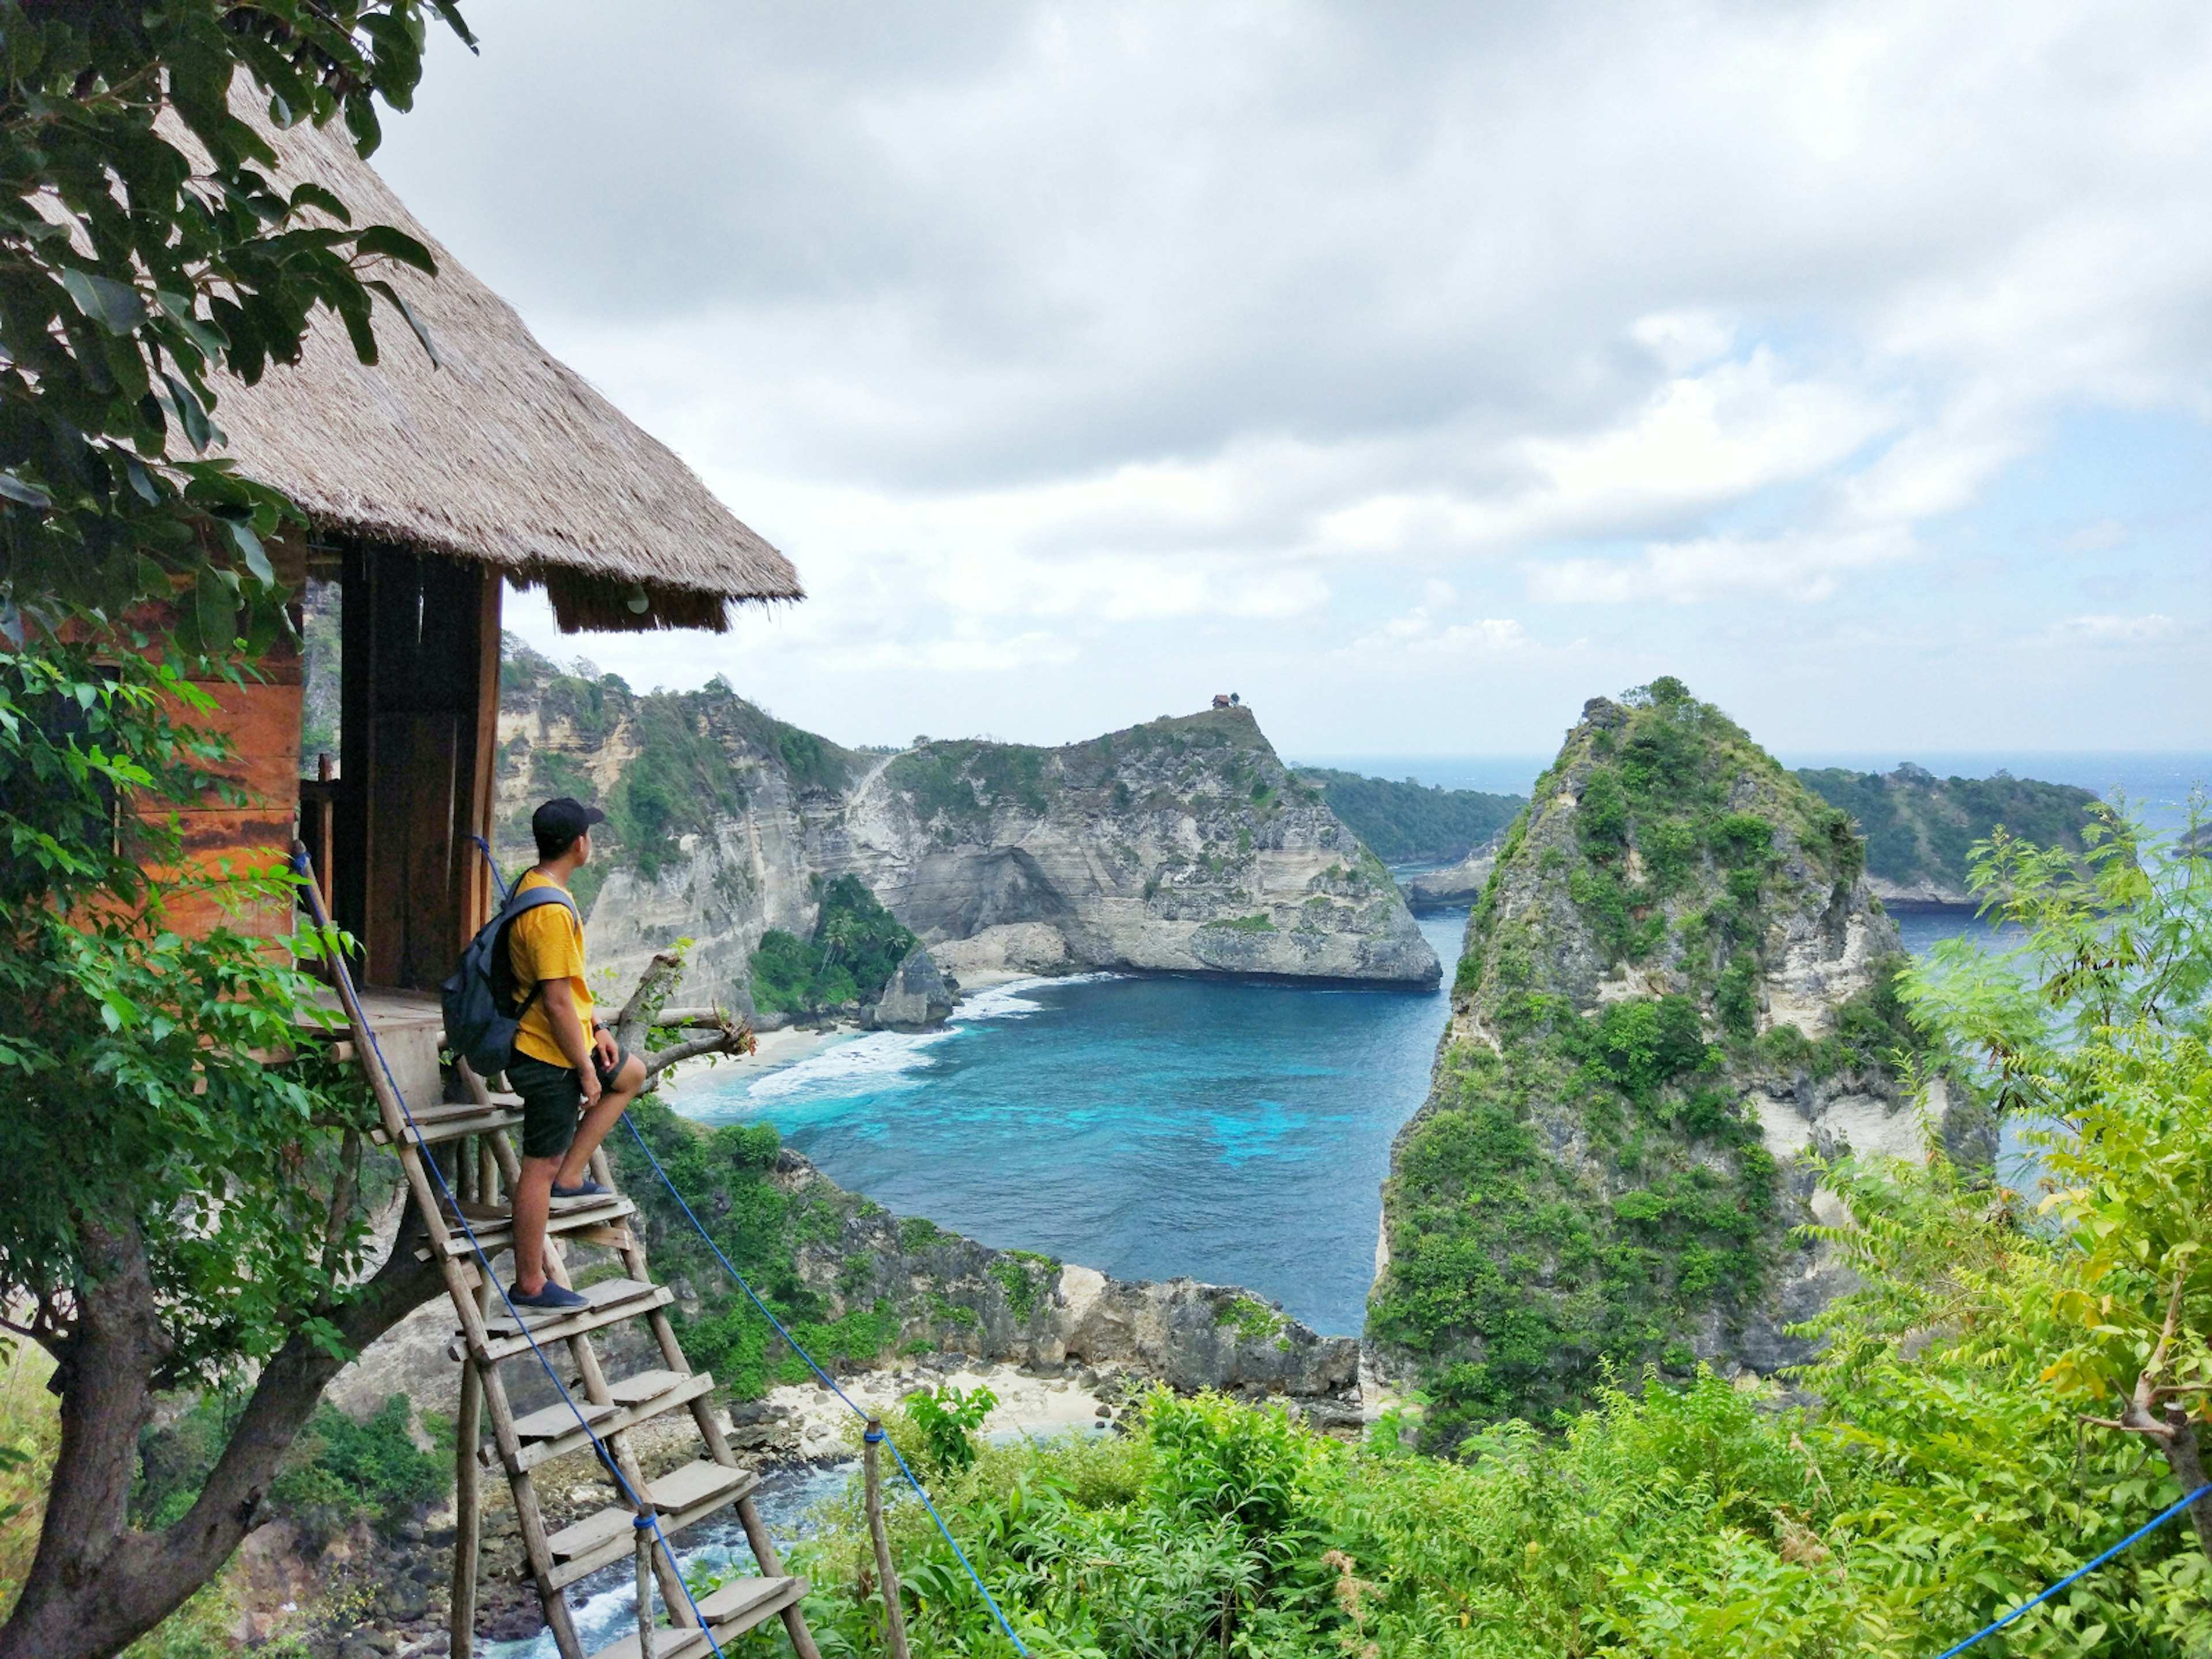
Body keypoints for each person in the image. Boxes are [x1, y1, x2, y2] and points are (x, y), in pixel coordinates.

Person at [502, 797, 647, 1310]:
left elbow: (570, 992)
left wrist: (599, 1026)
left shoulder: (536, 885)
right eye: (591, 834)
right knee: (536, 1168)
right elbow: (557, 998)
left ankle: (571, 1177)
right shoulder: (550, 912)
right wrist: (585, 1069)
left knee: (631, 1073)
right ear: (579, 843)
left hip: (565, 1041)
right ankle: (530, 1284)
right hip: (546, 1054)